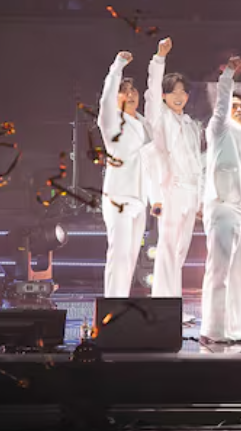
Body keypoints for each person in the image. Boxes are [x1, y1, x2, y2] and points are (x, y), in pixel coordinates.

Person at [200, 56, 241, 344]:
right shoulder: (219, 129)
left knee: (238, 275)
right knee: (220, 272)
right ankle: (214, 329)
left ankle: (236, 327)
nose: (238, 110)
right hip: (223, 207)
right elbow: (223, 101)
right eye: (233, 106)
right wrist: (228, 75)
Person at [141, 37, 204, 320]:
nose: (179, 96)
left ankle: (171, 305)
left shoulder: (190, 125)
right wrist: (159, 59)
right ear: (165, 95)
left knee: (180, 252)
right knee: (167, 250)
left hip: (190, 193)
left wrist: (199, 200)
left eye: (183, 92)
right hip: (171, 191)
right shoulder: (160, 117)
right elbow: (151, 94)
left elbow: (197, 164)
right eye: (173, 91)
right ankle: (164, 306)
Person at [97, 51, 152, 298]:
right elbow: (106, 98)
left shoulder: (144, 123)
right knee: (118, 256)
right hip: (119, 197)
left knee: (130, 258)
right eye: (124, 91)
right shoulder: (111, 121)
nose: (130, 95)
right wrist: (117, 67)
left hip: (140, 198)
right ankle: (112, 305)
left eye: (133, 90)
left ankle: (122, 303)